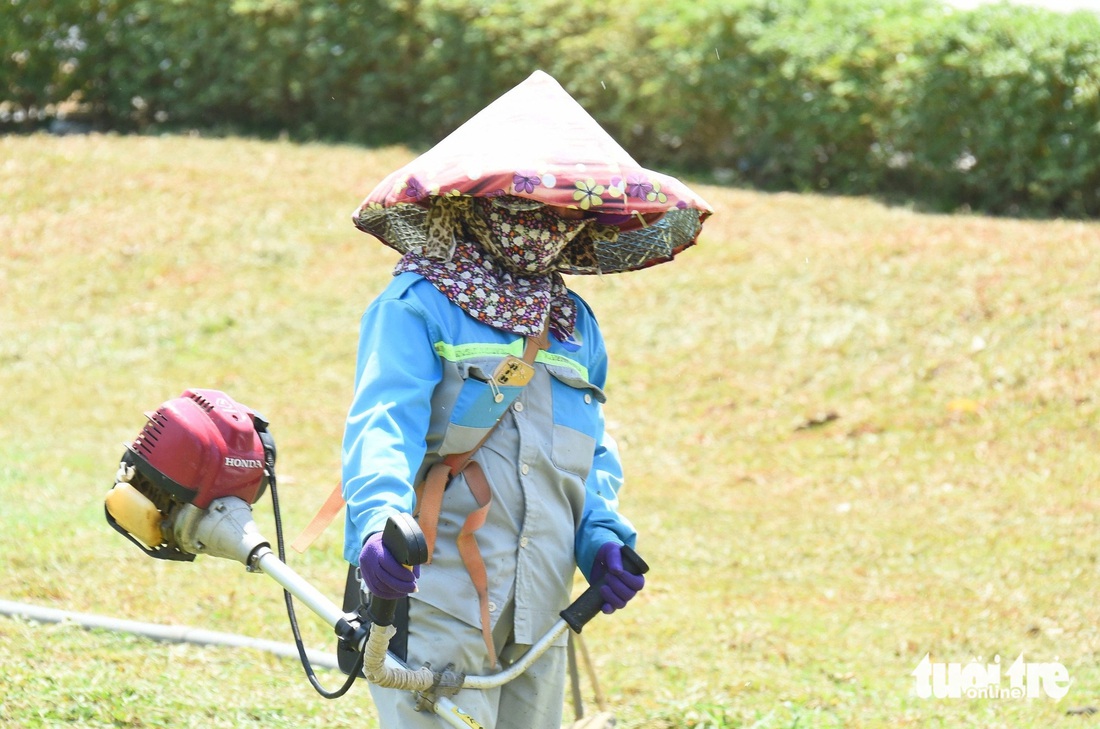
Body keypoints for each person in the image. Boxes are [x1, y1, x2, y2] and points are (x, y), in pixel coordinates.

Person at [341, 71, 712, 728]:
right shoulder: (418, 305)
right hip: (431, 599)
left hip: (541, 614)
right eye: (526, 206)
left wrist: (601, 535)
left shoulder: (574, 326)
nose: (545, 227)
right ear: (477, 203)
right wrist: (375, 525)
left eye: (562, 213)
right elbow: (383, 423)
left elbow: (591, 447)